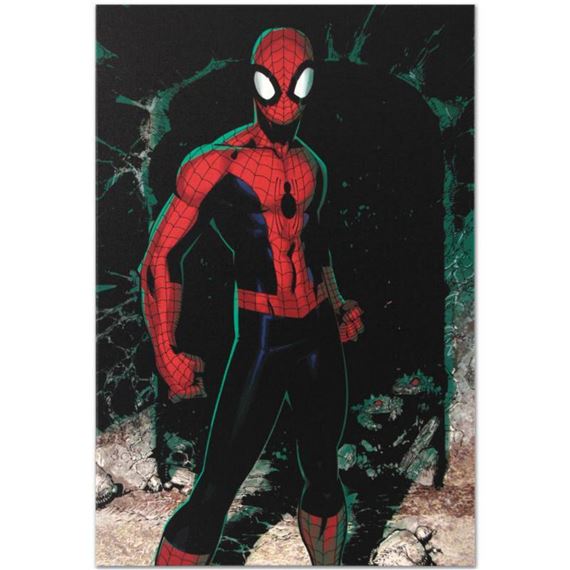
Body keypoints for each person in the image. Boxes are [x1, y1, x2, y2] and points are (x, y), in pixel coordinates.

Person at [141, 27, 364, 566]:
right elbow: (160, 257)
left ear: (310, 84)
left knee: (324, 473)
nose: (284, 102)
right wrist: (165, 350)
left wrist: (337, 303)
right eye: (271, 85)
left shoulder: (312, 166)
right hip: (263, 338)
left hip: (316, 334)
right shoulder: (216, 163)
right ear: (255, 83)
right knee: (215, 489)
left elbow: (315, 245)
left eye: (298, 84)